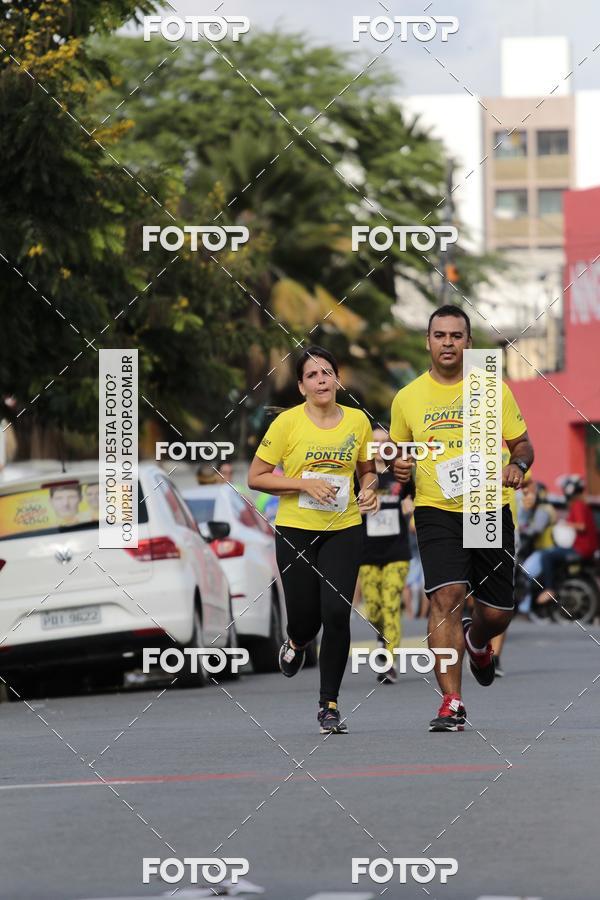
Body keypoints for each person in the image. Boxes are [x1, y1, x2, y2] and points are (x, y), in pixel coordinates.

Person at [391, 305, 534, 732]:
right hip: (436, 509)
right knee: (446, 595)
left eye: (456, 335)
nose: (448, 342)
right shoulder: (408, 397)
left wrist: (517, 467)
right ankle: (451, 701)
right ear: (428, 341)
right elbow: (399, 454)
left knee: (497, 614)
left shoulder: (492, 389)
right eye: (440, 335)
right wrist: (399, 467)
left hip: (487, 507)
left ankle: (477, 641)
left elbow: (522, 443)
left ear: (468, 343)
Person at [248, 346, 378, 734]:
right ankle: (296, 641)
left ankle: (329, 704)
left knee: (336, 614)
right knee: (306, 619)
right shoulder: (286, 424)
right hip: (296, 529)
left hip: (344, 528)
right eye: (313, 375)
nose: (322, 380)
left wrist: (371, 489)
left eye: (328, 372)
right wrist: (303, 482)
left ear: (338, 380)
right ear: (302, 386)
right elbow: (257, 476)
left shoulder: (357, 421)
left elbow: (367, 470)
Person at [359, 427, 412, 684]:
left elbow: (419, 496)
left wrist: (411, 505)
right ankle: (382, 638)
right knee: (374, 611)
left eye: (384, 442)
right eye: (375, 442)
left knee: (391, 603)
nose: (379, 447)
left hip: (397, 551)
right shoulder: (360, 476)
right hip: (367, 552)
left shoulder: (400, 474)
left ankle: (389, 662)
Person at [534, 475, 599, 607]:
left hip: (581, 549)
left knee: (546, 555)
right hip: (586, 548)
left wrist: (565, 524)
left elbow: (581, 526)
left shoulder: (578, 505)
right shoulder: (582, 504)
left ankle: (550, 589)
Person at [516, 477, 557, 620]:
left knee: (526, 572)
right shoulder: (539, 508)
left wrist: (522, 530)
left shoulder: (544, 510)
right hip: (540, 550)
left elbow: (536, 529)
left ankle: (524, 609)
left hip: (546, 550)